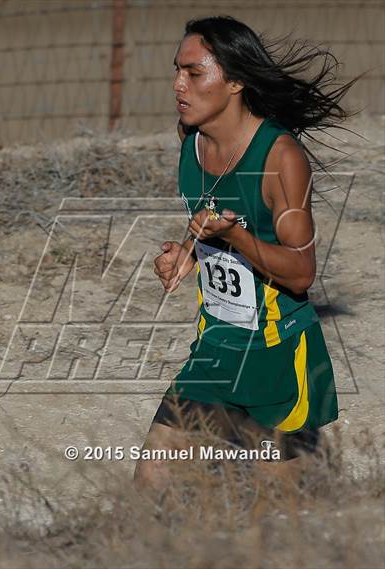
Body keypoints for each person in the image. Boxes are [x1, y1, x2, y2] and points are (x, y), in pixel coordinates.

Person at [133, 16, 363, 492]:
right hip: (215, 348)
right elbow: (212, 215)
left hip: (276, 356)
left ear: (235, 81)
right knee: (151, 479)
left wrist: (234, 237)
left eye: (194, 73)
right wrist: (189, 254)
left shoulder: (281, 157)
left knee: (279, 510)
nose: (178, 84)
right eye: (177, 70)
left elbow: (300, 273)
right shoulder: (191, 140)